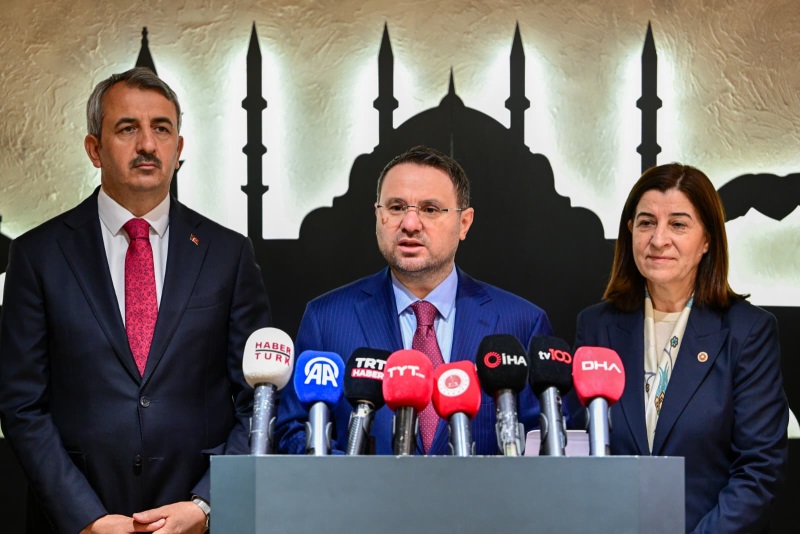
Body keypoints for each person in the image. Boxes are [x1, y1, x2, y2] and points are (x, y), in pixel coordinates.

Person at [0, 67, 271, 534]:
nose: (147, 144)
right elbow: (21, 405)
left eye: (161, 129)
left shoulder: (227, 254)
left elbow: (259, 398)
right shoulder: (38, 255)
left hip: (196, 521)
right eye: (128, 128)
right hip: (78, 521)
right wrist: (86, 518)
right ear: (94, 148)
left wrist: (207, 504)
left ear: (179, 149)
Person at [275, 145, 555, 455]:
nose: (410, 224)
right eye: (396, 207)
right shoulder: (326, 319)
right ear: (378, 215)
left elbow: (545, 444)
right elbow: (293, 432)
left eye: (430, 209)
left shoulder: (521, 323)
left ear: (464, 223)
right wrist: (355, 474)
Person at [574, 163, 788, 533]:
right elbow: (578, 450)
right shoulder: (595, 326)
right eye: (646, 223)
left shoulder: (747, 332)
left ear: (707, 240)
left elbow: (759, 469)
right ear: (630, 231)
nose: (659, 240)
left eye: (678, 224)